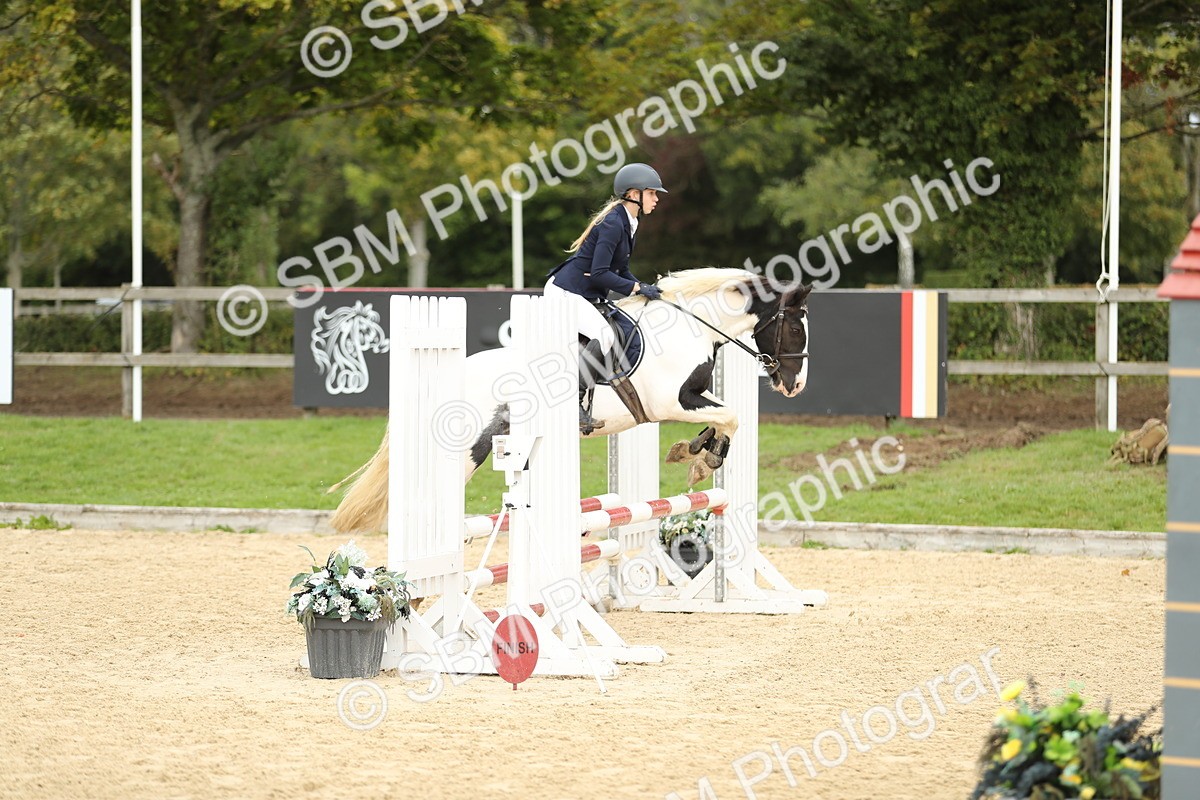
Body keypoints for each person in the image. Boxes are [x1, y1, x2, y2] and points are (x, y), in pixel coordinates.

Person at [545, 163, 667, 433]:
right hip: (566, 292)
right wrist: (635, 289)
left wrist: (641, 285)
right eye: (652, 194)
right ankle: (573, 404)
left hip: (585, 292)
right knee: (603, 335)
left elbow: (620, 270)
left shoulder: (629, 222)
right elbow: (600, 274)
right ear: (634, 194)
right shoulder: (613, 223)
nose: (656, 199)